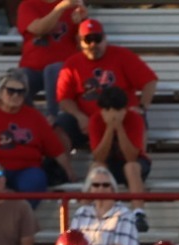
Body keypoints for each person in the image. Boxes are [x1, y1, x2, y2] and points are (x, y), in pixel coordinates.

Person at [54, 18, 157, 151]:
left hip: (121, 116)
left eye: (97, 38)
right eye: (87, 39)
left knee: (138, 119)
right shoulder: (71, 64)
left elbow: (150, 81)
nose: (93, 44)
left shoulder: (123, 56)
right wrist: (79, 116)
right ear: (80, 42)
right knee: (60, 127)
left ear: (105, 38)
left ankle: (138, 163)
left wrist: (142, 107)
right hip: (87, 120)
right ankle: (63, 170)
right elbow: (64, 98)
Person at [0, 68, 70, 197]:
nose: (16, 95)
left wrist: (70, 173)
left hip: (25, 170)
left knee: (36, 181)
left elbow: (56, 150)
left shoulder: (34, 116)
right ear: (0, 92)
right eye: (10, 91)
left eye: (20, 92)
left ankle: (20, 214)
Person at [70, 166, 140, 245]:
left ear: (113, 189)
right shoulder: (81, 213)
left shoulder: (124, 214)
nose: (101, 188)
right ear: (90, 189)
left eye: (105, 185)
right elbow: (71, 244)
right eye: (96, 185)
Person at [89, 86, 150, 223]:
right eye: (108, 110)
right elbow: (99, 156)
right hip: (110, 163)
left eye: (117, 110)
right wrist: (110, 129)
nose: (113, 115)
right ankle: (87, 211)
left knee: (131, 166)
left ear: (124, 110)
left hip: (136, 165)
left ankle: (138, 213)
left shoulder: (135, 119)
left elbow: (132, 156)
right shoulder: (96, 120)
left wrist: (119, 128)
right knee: (97, 167)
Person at [15, 0, 83, 111]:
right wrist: (60, 8)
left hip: (62, 69)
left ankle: (53, 117)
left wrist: (83, 20)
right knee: (16, 77)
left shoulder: (72, 6)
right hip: (32, 69)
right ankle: (31, 118)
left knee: (52, 70)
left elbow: (82, 43)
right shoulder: (28, 5)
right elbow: (38, 29)